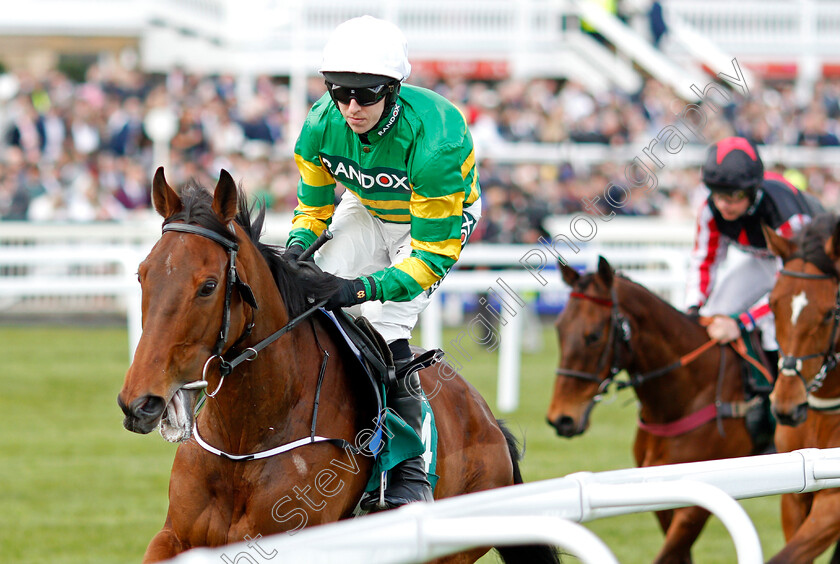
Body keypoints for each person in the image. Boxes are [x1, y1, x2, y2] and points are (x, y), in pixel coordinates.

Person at [283, 15, 482, 510]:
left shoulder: (437, 139)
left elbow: (430, 256)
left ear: (394, 89)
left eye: (366, 95)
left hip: (432, 224)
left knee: (383, 323)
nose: (351, 107)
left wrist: (357, 290)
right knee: (305, 296)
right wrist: (294, 251)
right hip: (367, 206)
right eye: (339, 92)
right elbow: (313, 209)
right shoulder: (317, 126)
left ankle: (410, 471)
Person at [686, 136, 823, 363]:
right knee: (716, 313)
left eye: (734, 196)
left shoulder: (786, 215)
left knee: (774, 328)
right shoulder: (710, 210)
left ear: (753, 191)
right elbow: (705, 260)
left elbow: (791, 285)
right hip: (767, 261)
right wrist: (692, 308)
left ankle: (776, 392)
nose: (723, 205)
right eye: (718, 194)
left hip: (811, 267)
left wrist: (742, 322)